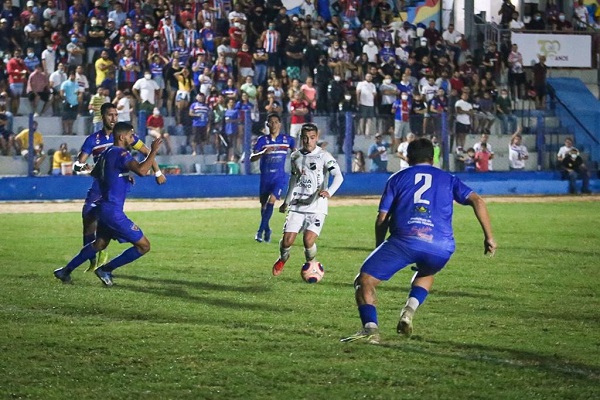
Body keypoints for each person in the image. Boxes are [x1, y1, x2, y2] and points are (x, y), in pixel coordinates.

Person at [341, 138, 496, 344]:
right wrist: (489, 237)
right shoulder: (448, 178)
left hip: (405, 241)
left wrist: (380, 244)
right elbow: (477, 200)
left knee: (364, 280)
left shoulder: (397, 178)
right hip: (441, 247)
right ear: (432, 158)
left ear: (409, 157)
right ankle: (408, 311)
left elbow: (382, 218)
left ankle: (371, 330)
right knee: (427, 271)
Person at [53, 122, 163, 286]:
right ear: (122, 137)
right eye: (131, 135)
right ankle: (106, 269)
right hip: (113, 212)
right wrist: (153, 151)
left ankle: (65, 271)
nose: (132, 139)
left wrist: (122, 177)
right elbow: (142, 170)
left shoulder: (107, 152)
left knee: (100, 243)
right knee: (144, 246)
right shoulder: (122, 154)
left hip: (103, 208)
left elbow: (97, 173)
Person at [72, 103, 166, 273]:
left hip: (110, 189)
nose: (114, 118)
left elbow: (145, 153)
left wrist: (157, 172)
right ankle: (94, 262)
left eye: (116, 114)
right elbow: (79, 165)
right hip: (101, 188)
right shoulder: (95, 140)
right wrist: (84, 168)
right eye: (110, 115)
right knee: (88, 219)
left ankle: (79, 264)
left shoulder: (123, 138)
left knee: (100, 234)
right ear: (103, 116)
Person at [271, 123, 344, 276]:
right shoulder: (295, 156)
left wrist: (329, 191)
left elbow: (338, 176)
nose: (308, 141)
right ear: (301, 138)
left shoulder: (324, 156)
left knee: (308, 240)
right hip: (297, 204)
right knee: (287, 241)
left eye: (311, 138)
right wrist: (286, 201)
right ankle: (283, 258)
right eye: (305, 138)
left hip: (317, 205)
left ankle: (311, 264)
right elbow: (293, 179)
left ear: (316, 138)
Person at [250, 113, 296, 243]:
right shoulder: (262, 141)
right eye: (271, 122)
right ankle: (267, 229)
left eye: (276, 122)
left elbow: (296, 152)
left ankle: (259, 231)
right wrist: (262, 153)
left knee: (272, 200)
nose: (274, 124)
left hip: (279, 178)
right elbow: (251, 158)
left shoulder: (287, 140)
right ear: (268, 124)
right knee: (264, 206)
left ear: (280, 124)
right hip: (265, 177)